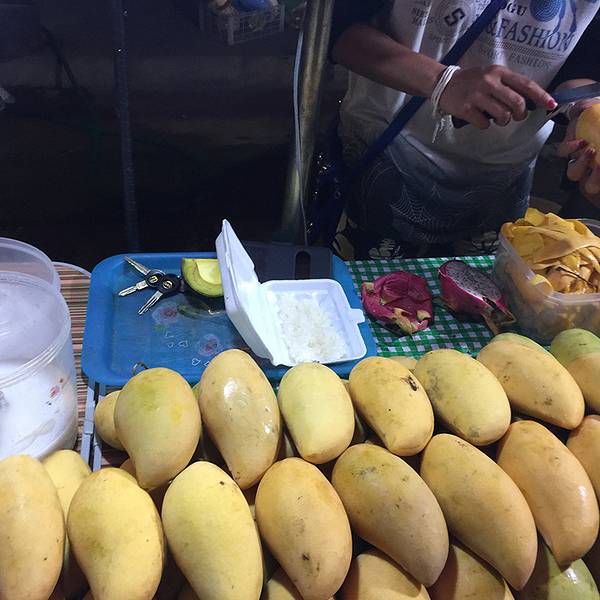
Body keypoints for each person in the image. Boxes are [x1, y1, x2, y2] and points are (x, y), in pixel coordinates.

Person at [329, 1, 600, 260]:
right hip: (387, 159)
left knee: (487, 288)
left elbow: (582, 55)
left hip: (503, 180)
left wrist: (583, 106)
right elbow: (336, 26)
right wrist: (440, 81)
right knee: (361, 284)